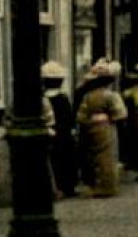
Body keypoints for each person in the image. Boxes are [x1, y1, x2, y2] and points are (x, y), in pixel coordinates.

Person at [76, 59, 128, 197]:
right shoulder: (110, 95)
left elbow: (81, 116)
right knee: (108, 156)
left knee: (93, 157)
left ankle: (95, 184)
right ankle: (107, 186)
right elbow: (120, 114)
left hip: (90, 127)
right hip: (106, 127)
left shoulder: (88, 96)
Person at [42, 61, 78, 197]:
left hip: (52, 133)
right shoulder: (63, 98)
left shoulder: (43, 98)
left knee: (54, 161)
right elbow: (69, 116)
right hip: (64, 134)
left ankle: (57, 186)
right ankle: (68, 186)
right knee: (67, 160)